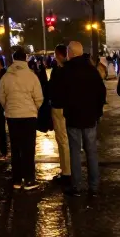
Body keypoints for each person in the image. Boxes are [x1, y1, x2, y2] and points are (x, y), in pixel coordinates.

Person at [51, 42, 106, 196]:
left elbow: (58, 94)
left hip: (73, 117)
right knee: (91, 152)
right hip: (90, 117)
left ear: (71, 53)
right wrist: (97, 111)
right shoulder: (92, 70)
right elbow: (101, 93)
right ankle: (94, 186)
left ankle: (77, 186)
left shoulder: (65, 71)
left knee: (75, 151)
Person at [0, 48, 44, 190]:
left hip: (13, 116)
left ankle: (17, 179)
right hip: (29, 116)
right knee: (28, 148)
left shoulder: (6, 76)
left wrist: (8, 107)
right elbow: (39, 97)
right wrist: (34, 108)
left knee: (16, 147)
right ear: (25, 59)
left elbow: (1, 95)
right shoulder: (31, 76)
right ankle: (29, 179)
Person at [47, 45, 72, 185]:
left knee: (62, 140)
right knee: (69, 139)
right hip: (71, 107)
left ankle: (66, 171)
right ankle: (68, 169)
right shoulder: (71, 70)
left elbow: (52, 88)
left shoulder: (58, 70)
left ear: (58, 55)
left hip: (59, 107)